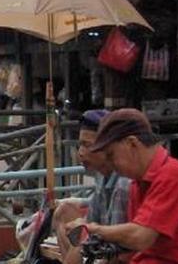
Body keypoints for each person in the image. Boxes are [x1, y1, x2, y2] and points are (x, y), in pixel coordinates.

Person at [71, 108, 178, 262]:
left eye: (111, 155)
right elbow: (130, 249)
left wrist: (94, 229)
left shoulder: (172, 174)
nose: (109, 162)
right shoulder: (138, 184)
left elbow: (140, 237)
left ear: (132, 144)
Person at [52, 110, 131, 264]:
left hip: (121, 257)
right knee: (64, 215)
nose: (80, 153)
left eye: (87, 145)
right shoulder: (102, 178)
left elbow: (116, 254)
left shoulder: (124, 184)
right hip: (104, 251)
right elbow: (86, 236)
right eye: (80, 145)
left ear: (108, 147)